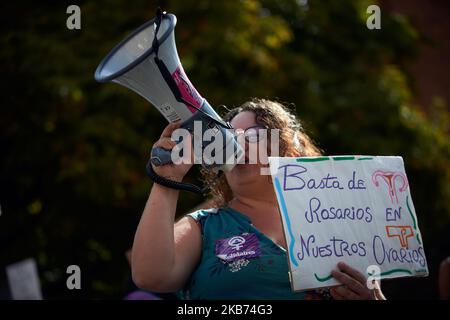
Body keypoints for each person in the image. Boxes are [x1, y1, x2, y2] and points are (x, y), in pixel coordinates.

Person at [131, 98, 385, 300]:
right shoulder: (203, 227)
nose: (239, 145)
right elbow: (150, 276)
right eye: (231, 137)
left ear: (290, 151)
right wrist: (166, 180)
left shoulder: (341, 224)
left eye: (253, 135)